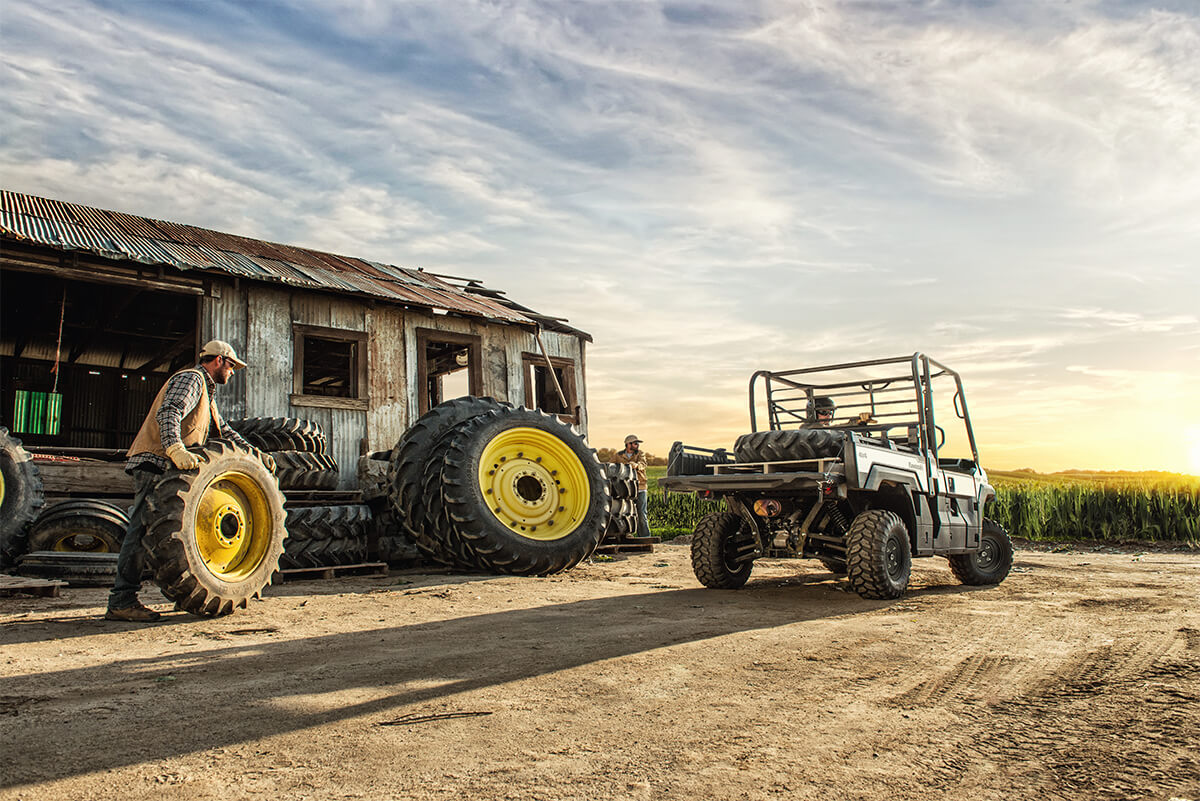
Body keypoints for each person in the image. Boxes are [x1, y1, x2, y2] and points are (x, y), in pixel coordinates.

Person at [105, 340, 272, 622]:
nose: (232, 373)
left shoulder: (207, 392)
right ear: (219, 360)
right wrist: (174, 448)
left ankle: (162, 593)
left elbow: (224, 432)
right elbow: (169, 411)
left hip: (169, 467)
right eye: (232, 366)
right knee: (140, 532)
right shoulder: (191, 379)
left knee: (155, 535)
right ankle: (122, 600)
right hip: (156, 463)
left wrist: (255, 455)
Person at [613, 434, 650, 538]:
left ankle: (645, 537)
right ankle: (626, 535)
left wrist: (637, 465)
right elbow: (611, 466)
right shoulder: (618, 455)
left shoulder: (640, 454)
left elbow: (643, 464)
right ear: (628, 444)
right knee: (625, 512)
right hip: (625, 489)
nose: (637, 445)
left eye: (637, 443)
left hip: (640, 487)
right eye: (635, 443)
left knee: (642, 514)